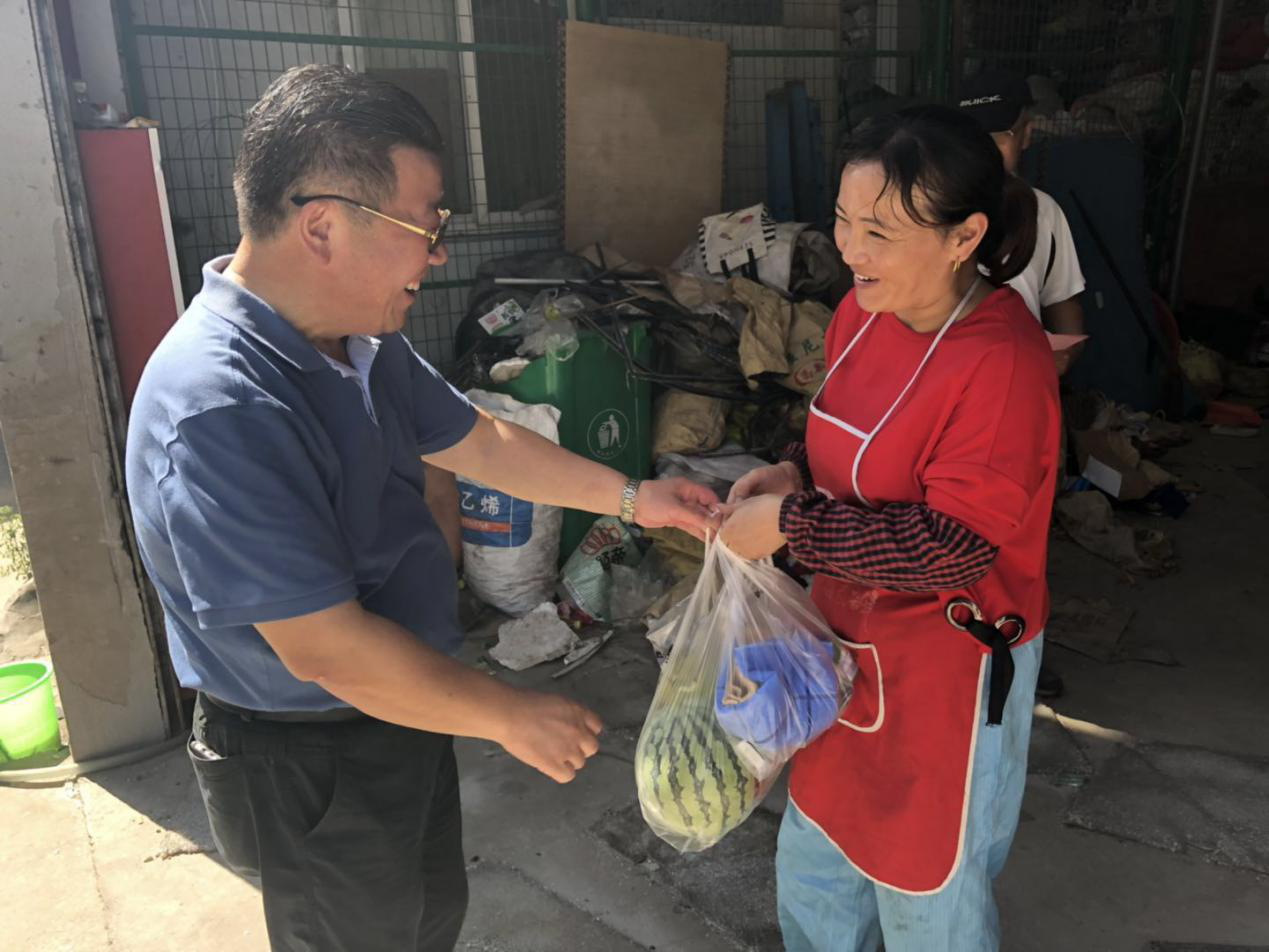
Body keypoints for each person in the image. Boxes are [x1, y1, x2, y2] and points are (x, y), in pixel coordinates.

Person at [124, 65, 718, 952]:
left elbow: (480, 442)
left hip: (401, 703)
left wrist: (637, 498)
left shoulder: (354, 340)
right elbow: (325, 649)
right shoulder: (221, 407)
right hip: (310, 753)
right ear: (322, 226)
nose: (437, 254)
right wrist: (506, 713)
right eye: (425, 225)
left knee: (425, 920)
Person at [719, 105, 1060, 951]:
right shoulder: (860, 312)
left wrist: (789, 526)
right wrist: (794, 475)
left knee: (924, 885)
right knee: (818, 857)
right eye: (842, 219)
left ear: (962, 236)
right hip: (841, 643)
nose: (849, 249)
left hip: (949, 669)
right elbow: (842, 435)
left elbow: (951, 546)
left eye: (878, 231)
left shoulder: (1001, 362)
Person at [958, 69, 1089, 699]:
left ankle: (1016, 647)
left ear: (1027, 134)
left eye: (999, 137)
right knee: (952, 531)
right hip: (953, 404)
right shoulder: (936, 211)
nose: (986, 153)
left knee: (1020, 539)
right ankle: (954, 653)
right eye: (972, 138)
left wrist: (1057, 361)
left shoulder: (1043, 214)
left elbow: (1066, 311)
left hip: (1022, 404)